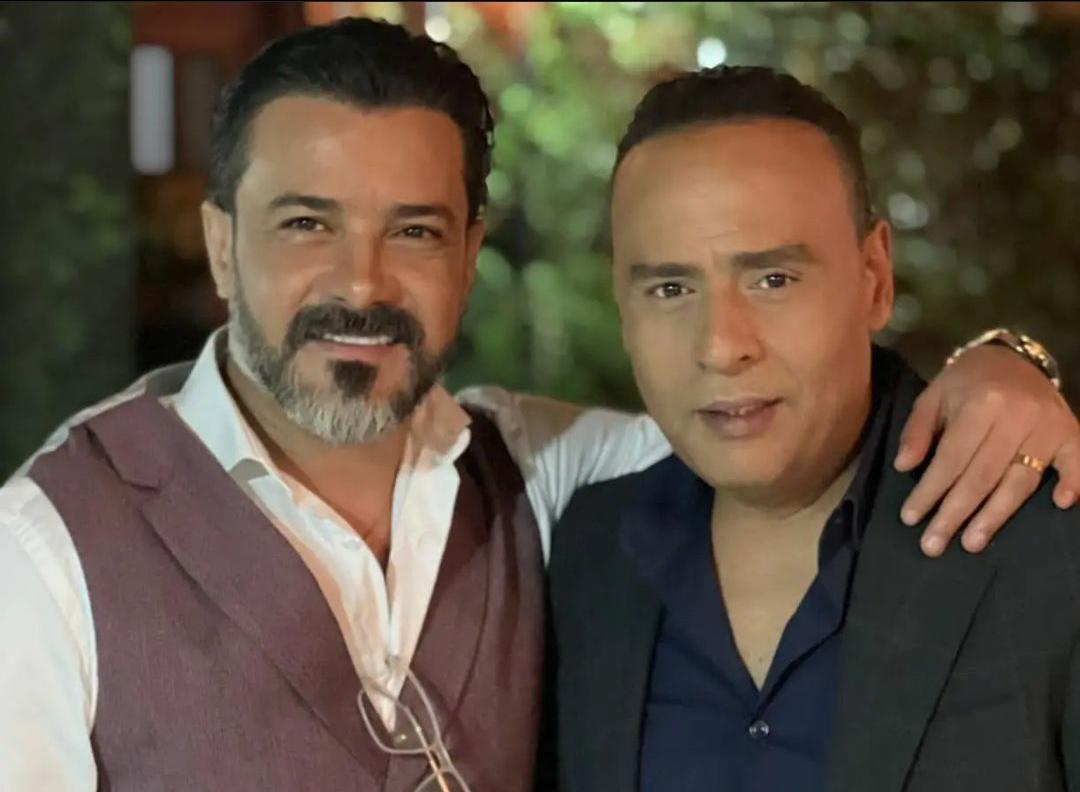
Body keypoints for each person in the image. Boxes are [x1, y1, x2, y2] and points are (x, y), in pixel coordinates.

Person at [0, 19, 1076, 792]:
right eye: (306, 224)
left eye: (415, 231)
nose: (362, 284)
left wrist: (1007, 368)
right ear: (221, 244)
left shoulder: (535, 476)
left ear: (470, 255)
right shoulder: (50, 552)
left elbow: (765, 420)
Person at [547, 65, 1080, 792]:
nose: (721, 346)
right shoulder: (586, 554)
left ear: (874, 278)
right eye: (670, 288)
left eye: (773, 280)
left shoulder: (1045, 546)